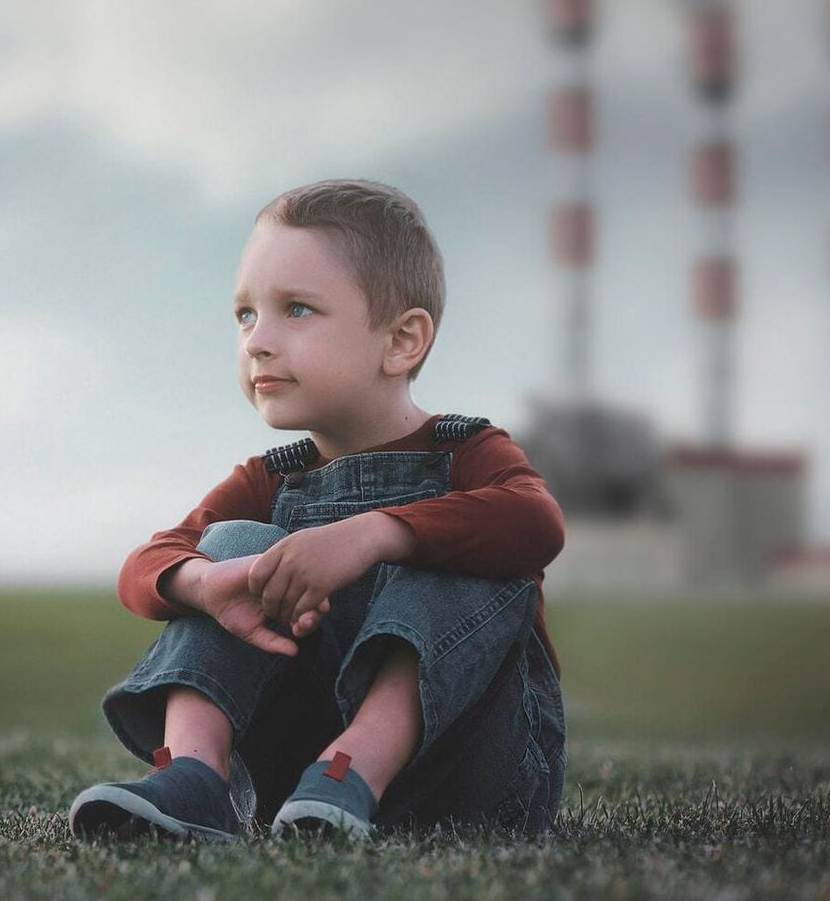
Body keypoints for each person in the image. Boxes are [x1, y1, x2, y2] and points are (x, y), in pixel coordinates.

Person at [68, 179, 567, 843]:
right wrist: (207, 583)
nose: (257, 341)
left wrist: (375, 534)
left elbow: (538, 523)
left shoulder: (469, 454)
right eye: (245, 314)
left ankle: (356, 765)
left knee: (465, 536)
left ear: (401, 341)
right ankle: (196, 778)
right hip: (297, 784)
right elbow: (144, 567)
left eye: (296, 310)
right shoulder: (268, 481)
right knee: (229, 543)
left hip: (470, 773)